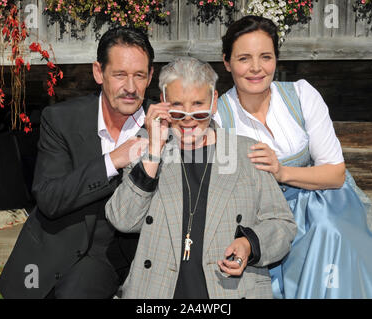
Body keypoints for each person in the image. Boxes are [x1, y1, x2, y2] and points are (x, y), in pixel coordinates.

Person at [214, 15, 372, 299]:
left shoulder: (302, 95)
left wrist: (282, 172)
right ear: (227, 62)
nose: (256, 68)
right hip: (262, 214)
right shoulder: (219, 116)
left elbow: (335, 173)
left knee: (329, 230)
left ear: (276, 60)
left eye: (265, 57)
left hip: (321, 202)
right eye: (244, 58)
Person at [105, 56, 297, 299]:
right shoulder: (145, 149)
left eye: (198, 106)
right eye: (177, 107)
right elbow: (123, 219)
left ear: (214, 102)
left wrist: (250, 244)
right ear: (163, 103)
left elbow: (282, 224)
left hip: (230, 291)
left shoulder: (247, 152)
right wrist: (154, 150)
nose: (187, 119)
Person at [0, 27, 154, 299]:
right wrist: (114, 160)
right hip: (61, 249)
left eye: (139, 75)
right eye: (119, 75)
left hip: (134, 258)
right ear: (98, 72)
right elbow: (49, 198)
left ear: (150, 76)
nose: (130, 87)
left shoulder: (166, 124)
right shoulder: (61, 119)